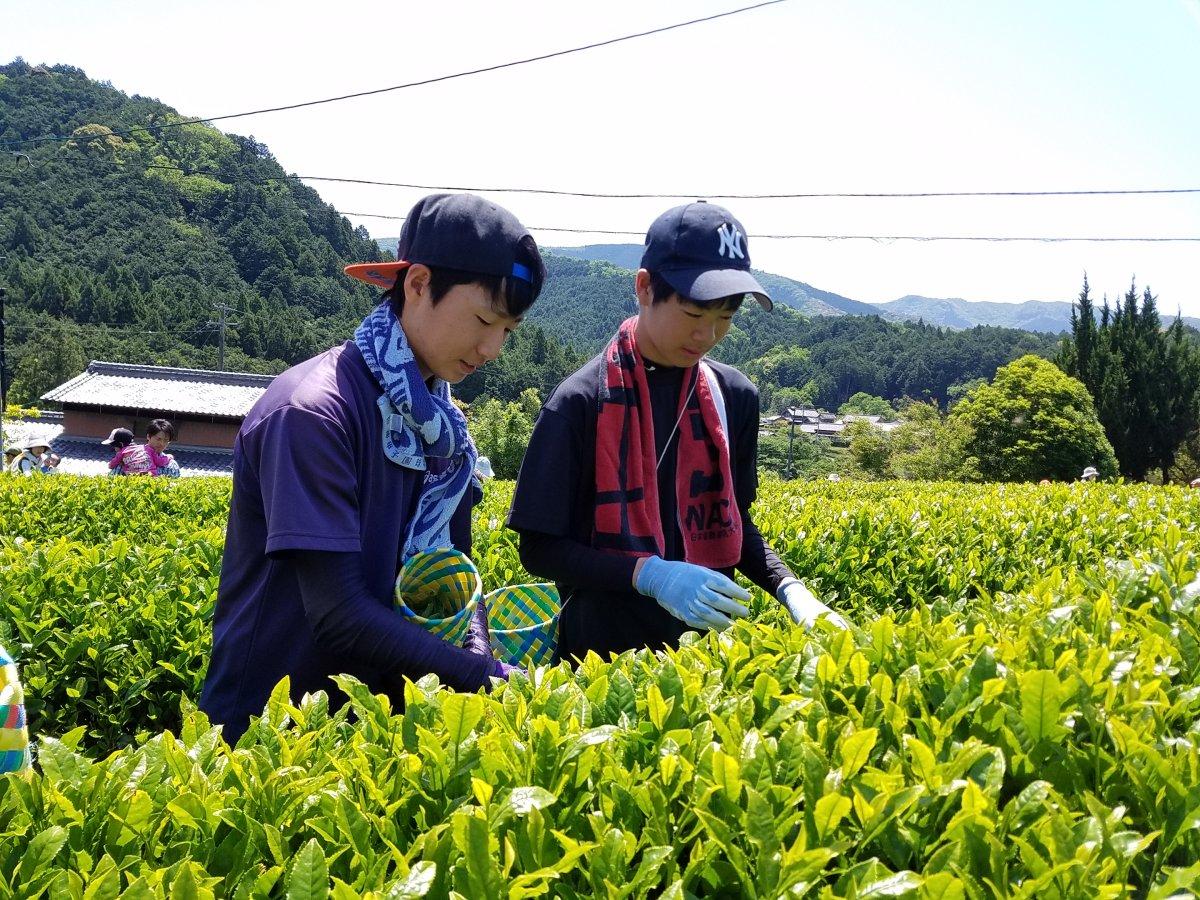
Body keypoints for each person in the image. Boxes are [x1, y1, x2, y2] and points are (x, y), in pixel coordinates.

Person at [200, 193, 546, 743]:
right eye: (484, 319)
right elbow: (339, 615)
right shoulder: (313, 413)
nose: (492, 347)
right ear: (416, 284)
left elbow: (452, 575)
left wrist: (476, 640)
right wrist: (480, 676)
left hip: (377, 729)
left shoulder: (442, 430)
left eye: (508, 329)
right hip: (272, 733)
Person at [508, 201, 848, 663]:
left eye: (726, 316)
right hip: (598, 663)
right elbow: (540, 549)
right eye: (693, 313)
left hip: (704, 658)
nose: (708, 334)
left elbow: (735, 525)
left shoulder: (733, 397)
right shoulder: (581, 403)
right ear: (645, 288)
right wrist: (649, 575)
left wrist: (790, 588)